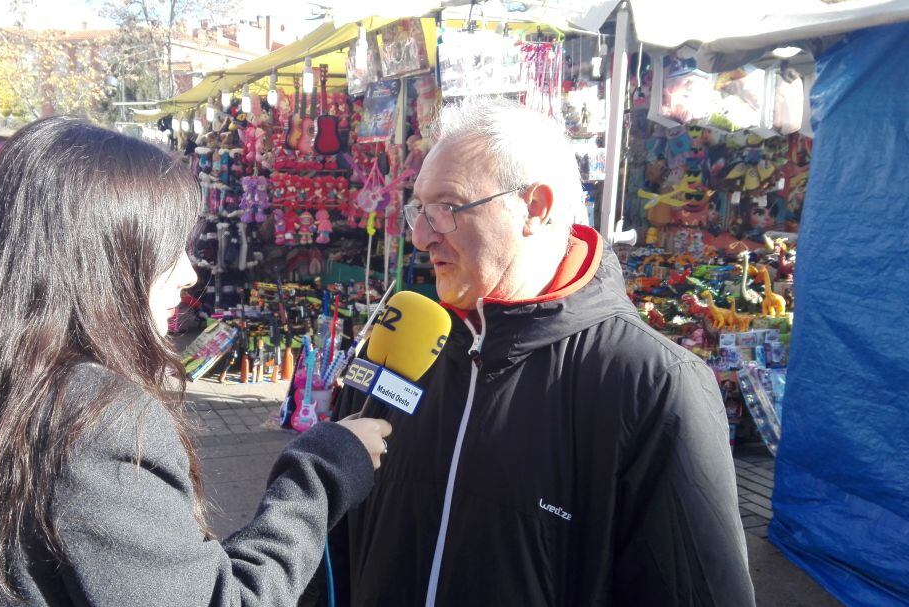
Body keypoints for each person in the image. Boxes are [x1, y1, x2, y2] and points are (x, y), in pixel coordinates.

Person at [0, 116, 391, 607]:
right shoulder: (99, 421)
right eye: (168, 250)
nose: (190, 275)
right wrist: (322, 469)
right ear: (104, 258)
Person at [317, 98, 754, 606]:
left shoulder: (655, 385)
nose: (420, 237)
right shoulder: (401, 344)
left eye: (446, 209)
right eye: (419, 209)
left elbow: (695, 589)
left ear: (536, 208)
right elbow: (339, 547)